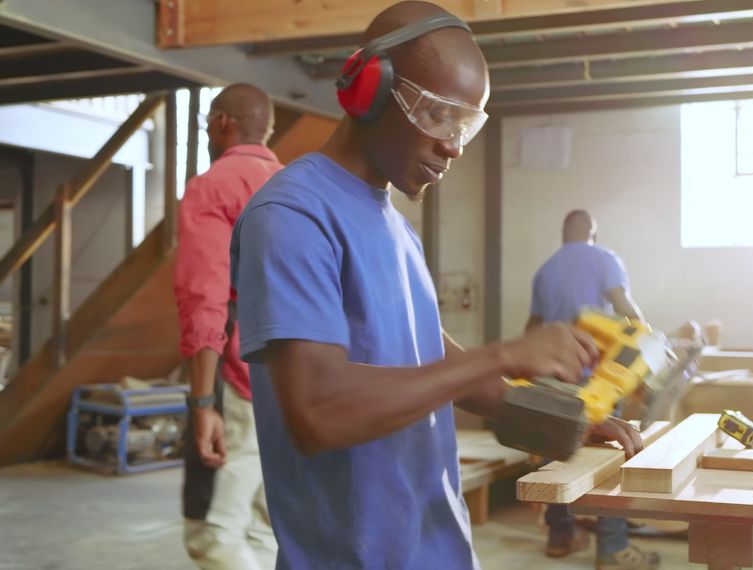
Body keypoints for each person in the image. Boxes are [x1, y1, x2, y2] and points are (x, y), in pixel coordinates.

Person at [228, 3, 642, 568]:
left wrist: (560, 421)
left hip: (438, 548)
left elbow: (433, 359)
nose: (453, 145)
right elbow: (317, 411)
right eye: (438, 115)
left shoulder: (398, 229)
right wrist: (504, 354)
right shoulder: (292, 215)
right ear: (370, 89)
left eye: (465, 125)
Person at [174, 83, 281, 570]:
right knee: (263, 527)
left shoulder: (214, 186)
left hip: (238, 380)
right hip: (293, 386)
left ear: (221, 123)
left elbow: (205, 297)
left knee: (212, 533)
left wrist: (202, 404)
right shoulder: (294, 186)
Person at [526, 209, 659, 570]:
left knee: (557, 453)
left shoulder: (545, 270)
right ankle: (613, 548)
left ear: (564, 235)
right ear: (592, 233)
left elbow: (533, 327)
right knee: (609, 458)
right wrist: (649, 350)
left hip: (553, 377)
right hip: (596, 379)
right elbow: (625, 308)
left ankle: (560, 536)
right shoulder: (604, 259)